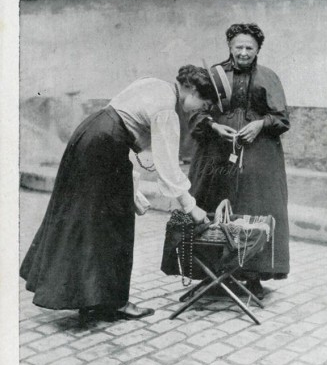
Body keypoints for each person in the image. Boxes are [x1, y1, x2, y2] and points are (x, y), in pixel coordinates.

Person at [20, 65, 217, 321]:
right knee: (116, 224)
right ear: (189, 88)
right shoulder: (167, 108)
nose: (200, 109)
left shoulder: (154, 83)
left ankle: (91, 297)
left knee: (88, 220)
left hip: (89, 135)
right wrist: (191, 207)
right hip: (104, 146)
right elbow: (168, 167)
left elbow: (129, 129)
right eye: (203, 103)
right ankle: (114, 302)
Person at [188, 23, 290, 299]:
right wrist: (213, 126)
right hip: (216, 152)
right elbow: (195, 113)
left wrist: (259, 124)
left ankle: (252, 275)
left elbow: (281, 118)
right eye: (238, 47)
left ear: (258, 49)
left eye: (249, 48)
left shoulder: (268, 77)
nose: (244, 53)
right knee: (211, 203)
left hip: (258, 153)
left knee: (254, 203)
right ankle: (211, 273)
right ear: (230, 47)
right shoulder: (214, 77)